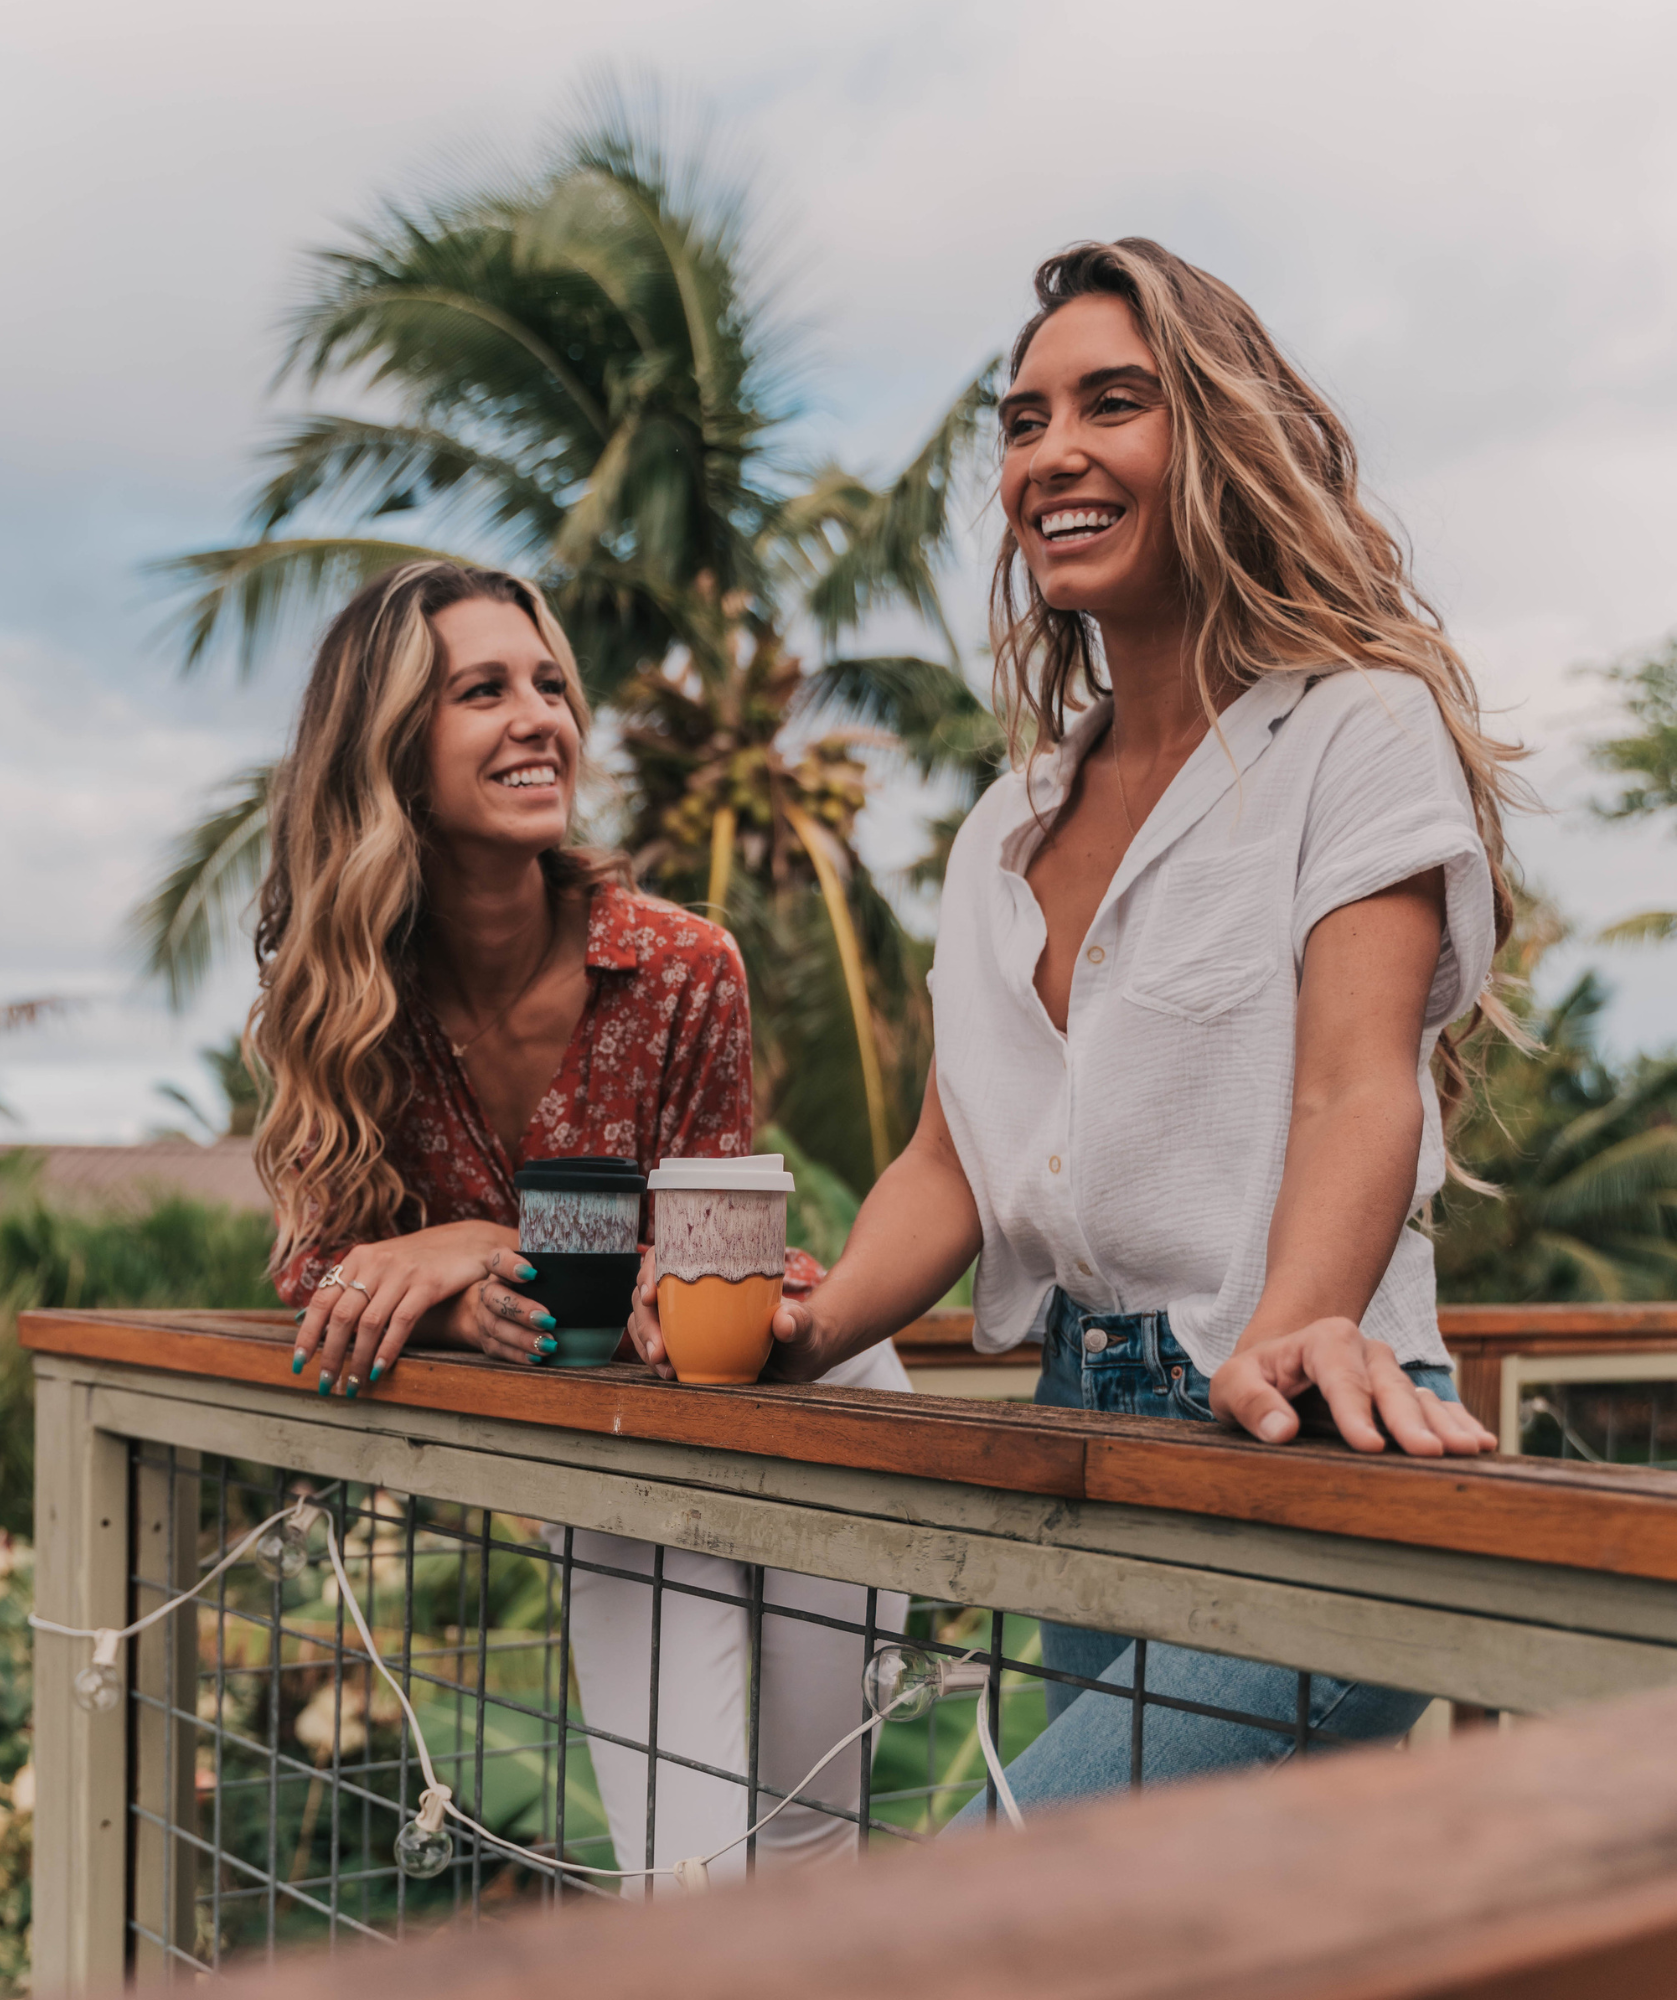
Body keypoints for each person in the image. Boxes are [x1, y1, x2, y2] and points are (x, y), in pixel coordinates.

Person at [629, 239, 1518, 1809]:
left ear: (1221, 439)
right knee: (1153, 1950)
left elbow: (1355, 1092)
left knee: (1001, 1894)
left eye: (1115, 402)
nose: (1053, 454)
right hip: (1078, 1449)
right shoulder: (999, 832)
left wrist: (1290, 1338)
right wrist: (803, 1331)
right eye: (1023, 420)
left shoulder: (1354, 732)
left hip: (1306, 1440)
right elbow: (950, 1165)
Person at [252, 559, 905, 1882]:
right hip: (607, 1463)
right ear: (389, 749)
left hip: (807, 1403)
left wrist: (466, 1247)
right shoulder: (341, 992)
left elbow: (714, 1250)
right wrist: (458, 1268)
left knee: (814, 1854)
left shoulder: (679, 966)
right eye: (482, 691)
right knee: (690, 1881)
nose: (538, 715)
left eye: (550, 684)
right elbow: (318, 1265)